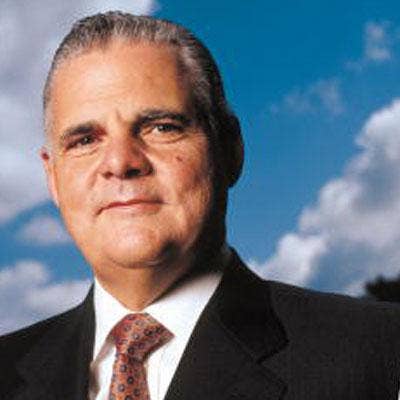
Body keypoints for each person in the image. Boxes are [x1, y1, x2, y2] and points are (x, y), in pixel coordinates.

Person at [1, 11, 400, 400]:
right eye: (85, 140)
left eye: (162, 127)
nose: (121, 162)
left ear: (230, 150)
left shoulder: (381, 352)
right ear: (52, 177)